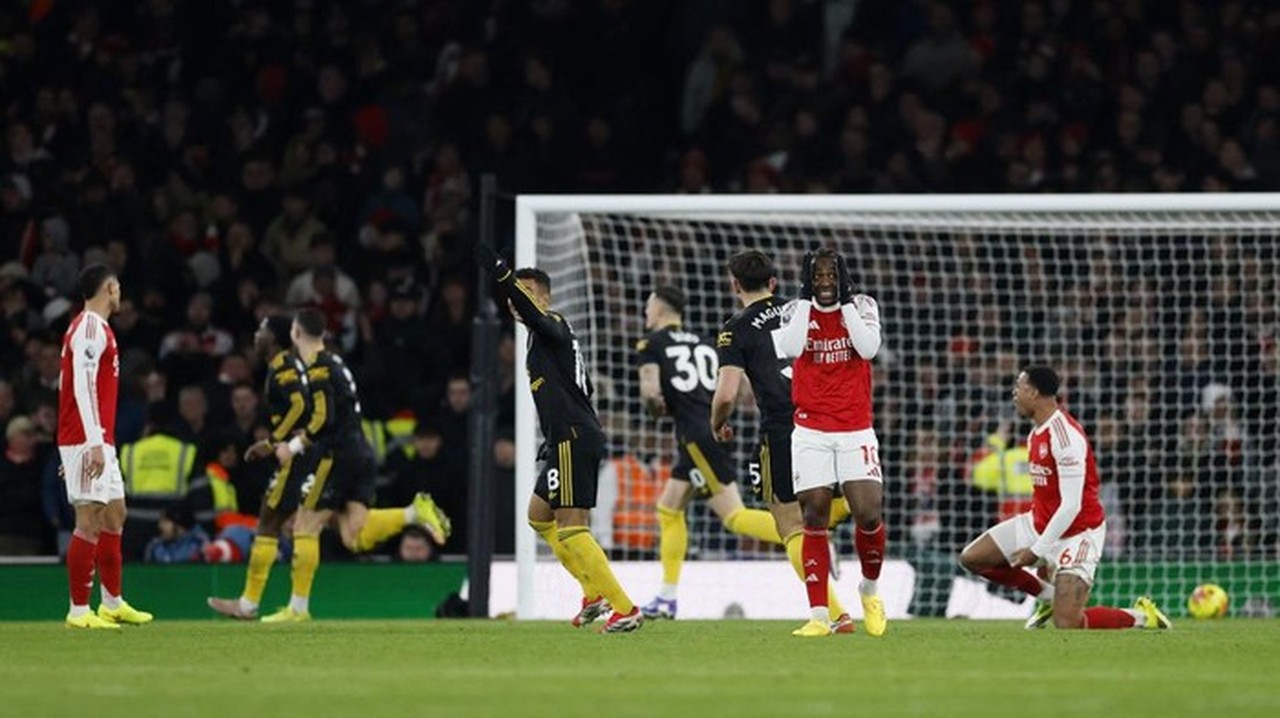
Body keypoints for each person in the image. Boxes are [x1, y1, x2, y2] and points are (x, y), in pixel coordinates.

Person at [478, 244, 642, 633]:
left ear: (545, 296)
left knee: (572, 527)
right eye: (514, 296)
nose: (517, 302)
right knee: (539, 517)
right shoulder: (545, 340)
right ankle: (592, 592)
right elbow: (579, 390)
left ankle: (625, 608)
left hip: (572, 436)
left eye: (527, 293)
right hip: (564, 436)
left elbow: (536, 315)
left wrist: (503, 275)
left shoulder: (552, 322)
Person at [260, 308, 451, 622]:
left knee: (304, 526)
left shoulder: (318, 368)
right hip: (360, 452)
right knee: (354, 536)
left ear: (296, 334)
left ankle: (297, 608)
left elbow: (324, 418)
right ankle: (413, 512)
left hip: (338, 455)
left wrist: (293, 446)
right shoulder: (334, 363)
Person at [958, 366, 1172, 630]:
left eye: (1019, 387)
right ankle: (1048, 596)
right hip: (1038, 523)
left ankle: (1142, 616)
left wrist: (1036, 552)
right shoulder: (1035, 432)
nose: (1014, 394)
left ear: (1034, 393)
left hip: (1078, 533)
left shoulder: (1066, 437)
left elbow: (1071, 505)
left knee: (1067, 622)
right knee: (972, 558)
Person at [710, 250, 856, 635]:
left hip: (782, 428)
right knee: (820, 507)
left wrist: (718, 424)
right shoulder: (802, 310)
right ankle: (838, 518)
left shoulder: (735, 329)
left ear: (735, 285)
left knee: (789, 524)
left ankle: (835, 614)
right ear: (774, 283)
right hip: (827, 418)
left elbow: (726, 394)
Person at [634, 285, 780, 619]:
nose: (645, 313)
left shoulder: (651, 345)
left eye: (647, 307)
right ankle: (667, 598)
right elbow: (740, 389)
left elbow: (651, 394)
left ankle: (807, 538)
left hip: (695, 436)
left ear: (658, 308)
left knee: (734, 516)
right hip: (708, 430)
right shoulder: (704, 343)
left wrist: (658, 410)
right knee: (669, 509)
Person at [772, 249, 887, 638]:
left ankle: (869, 589)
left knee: (868, 512)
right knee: (814, 513)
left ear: (843, 277)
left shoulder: (863, 306)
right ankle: (819, 615)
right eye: (817, 275)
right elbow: (791, 348)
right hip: (811, 429)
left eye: (831, 275)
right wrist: (805, 300)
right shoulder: (794, 310)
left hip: (856, 427)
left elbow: (869, 348)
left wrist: (846, 302)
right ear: (807, 279)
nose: (824, 281)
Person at [58, 264, 153, 628]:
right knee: (89, 520)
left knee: (115, 515)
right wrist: (87, 443)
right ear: (109, 288)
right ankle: (79, 610)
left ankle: (112, 603)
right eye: (118, 287)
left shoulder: (98, 328)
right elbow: (80, 385)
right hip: (89, 437)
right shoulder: (89, 327)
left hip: (96, 437)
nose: (120, 294)